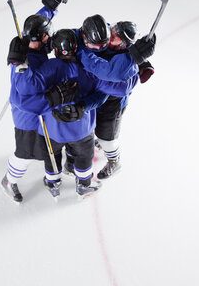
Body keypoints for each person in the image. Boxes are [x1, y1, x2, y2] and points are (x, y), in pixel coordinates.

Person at [11, 29, 139, 198]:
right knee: (84, 157)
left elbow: (25, 92)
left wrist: (18, 64)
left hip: (51, 130)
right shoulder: (90, 71)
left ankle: (52, 184)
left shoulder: (46, 67)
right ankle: (83, 185)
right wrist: (135, 63)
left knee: (52, 157)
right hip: (81, 130)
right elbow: (118, 88)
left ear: (55, 50)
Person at [64, 16, 156, 179]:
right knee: (92, 128)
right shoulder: (104, 37)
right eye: (111, 31)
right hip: (96, 99)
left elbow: (114, 83)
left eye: (113, 38)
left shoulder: (128, 64)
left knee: (107, 137)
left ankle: (114, 161)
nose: (108, 38)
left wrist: (136, 59)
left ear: (123, 45)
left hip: (112, 105)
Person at [1, 0, 68, 202]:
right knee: (25, 152)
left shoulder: (29, 41)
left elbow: (39, 22)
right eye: (48, 35)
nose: (51, 38)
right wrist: (52, 99)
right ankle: (9, 180)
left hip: (40, 111)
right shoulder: (26, 63)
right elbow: (21, 99)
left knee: (41, 145)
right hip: (28, 116)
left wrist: (51, 6)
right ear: (42, 38)